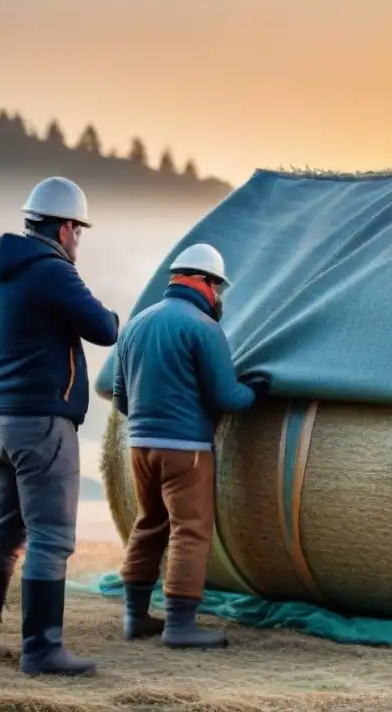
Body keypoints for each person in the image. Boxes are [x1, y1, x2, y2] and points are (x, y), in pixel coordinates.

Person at [0, 177, 120, 676]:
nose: (79, 241)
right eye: (79, 231)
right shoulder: (52, 271)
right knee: (51, 537)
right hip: (41, 427)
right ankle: (42, 650)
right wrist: (115, 313)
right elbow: (104, 328)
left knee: (1, 534)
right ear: (67, 227)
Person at [112, 242, 264, 649]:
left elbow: (122, 398)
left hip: (139, 446)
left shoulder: (137, 323)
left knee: (149, 524)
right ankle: (180, 626)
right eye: (219, 289)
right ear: (206, 282)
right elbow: (225, 397)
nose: (219, 298)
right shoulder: (203, 327)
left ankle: (135, 616)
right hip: (186, 449)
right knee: (190, 530)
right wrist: (255, 393)